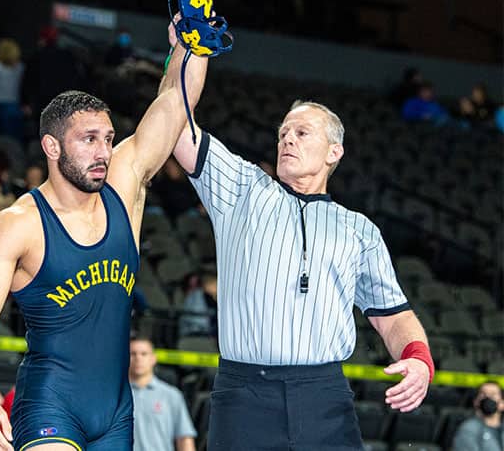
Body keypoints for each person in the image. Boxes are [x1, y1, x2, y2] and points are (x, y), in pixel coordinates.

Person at [0, 0, 221, 451]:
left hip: (116, 412)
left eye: (108, 138)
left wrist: (193, 33)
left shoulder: (124, 185)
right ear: (52, 147)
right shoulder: (18, 224)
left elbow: (174, 102)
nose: (103, 151)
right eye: (89, 139)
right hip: (49, 404)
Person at [168, 34, 433, 446]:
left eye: (302, 132)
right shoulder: (242, 190)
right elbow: (175, 126)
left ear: (334, 152)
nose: (287, 139)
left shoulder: (359, 230)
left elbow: (393, 316)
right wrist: (185, 50)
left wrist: (418, 359)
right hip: (243, 395)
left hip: (324, 397)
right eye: (283, 133)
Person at [129, 337, 196, 451]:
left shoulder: (171, 395)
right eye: (133, 354)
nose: (138, 358)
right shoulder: (116, 396)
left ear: (153, 358)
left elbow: (184, 439)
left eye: (144, 354)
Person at [0, 38, 25, 140]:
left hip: (2, 107)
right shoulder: (20, 67)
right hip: (15, 107)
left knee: (4, 140)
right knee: (16, 139)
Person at [452, 381, 503, 451]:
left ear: (502, 403)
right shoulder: (468, 429)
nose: (488, 398)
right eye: (483, 394)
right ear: (476, 402)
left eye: (493, 394)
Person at [178, 272, 217, 338]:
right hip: (191, 333)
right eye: (191, 286)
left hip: (207, 332)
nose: (194, 288)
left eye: (197, 285)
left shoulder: (206, 297)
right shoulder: (188, 299)